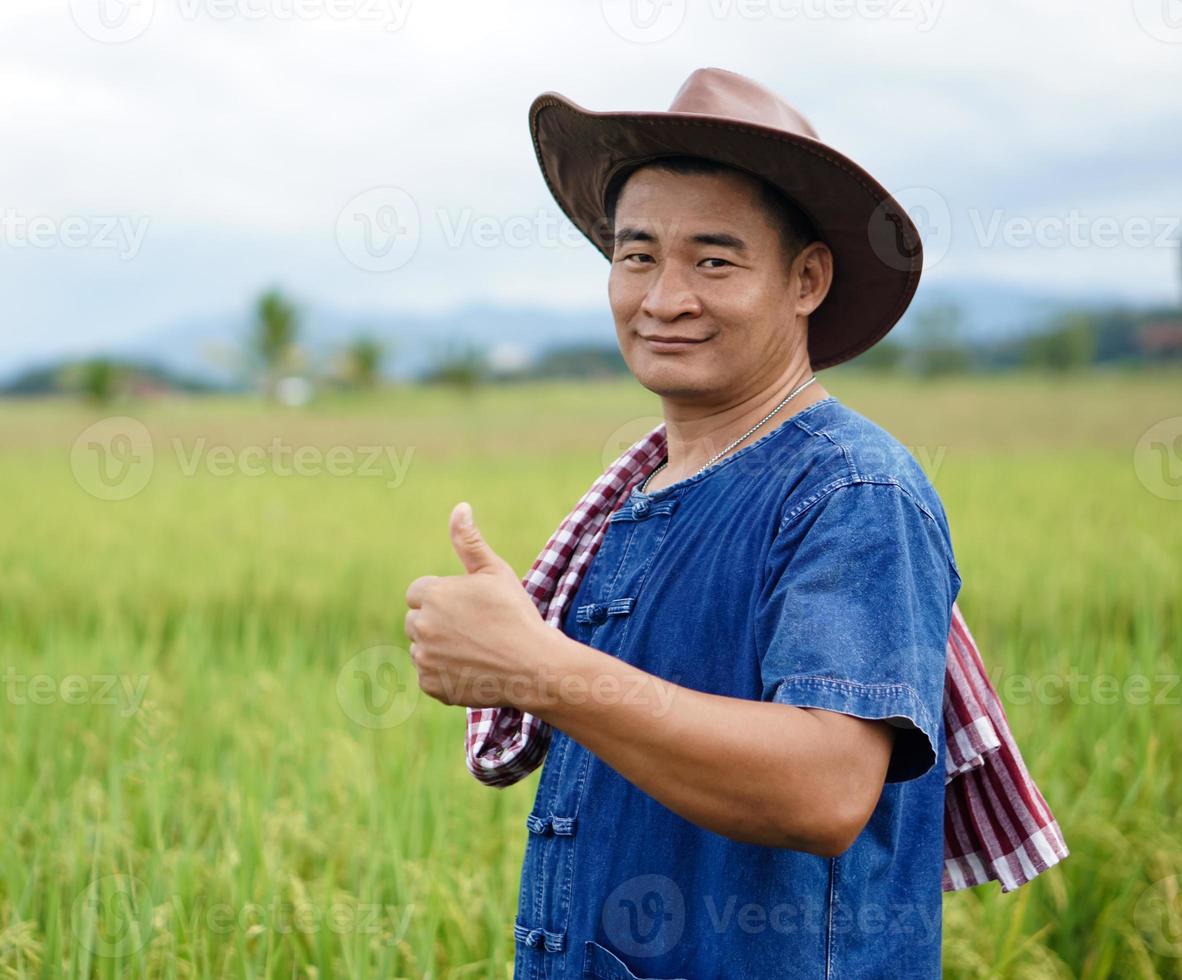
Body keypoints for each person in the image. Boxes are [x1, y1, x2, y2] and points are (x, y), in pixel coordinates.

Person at [403, 68, 1061, 979]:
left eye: (713, 260)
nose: (664, 297)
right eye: (636, 256)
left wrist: (537, 667)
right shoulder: (645, 490)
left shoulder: (848, 492)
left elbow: (825, 788)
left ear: (807, 278)